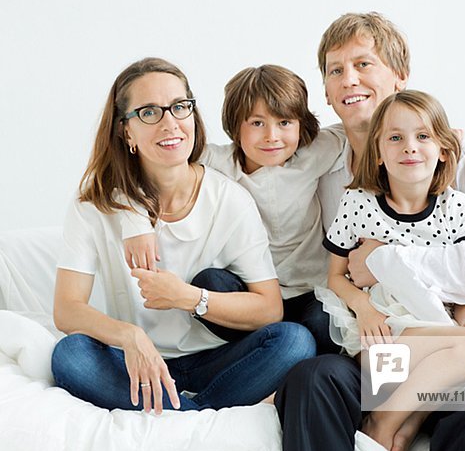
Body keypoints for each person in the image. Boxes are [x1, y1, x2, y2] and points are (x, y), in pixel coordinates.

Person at [275, 12, 465, 451]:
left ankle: (407, 415)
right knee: (312, 379)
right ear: (326, 91)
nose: (349, 79)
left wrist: (389, 257)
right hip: (393, 348)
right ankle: (394, 414)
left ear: (400, 77)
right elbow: (243, 161)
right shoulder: (323, 169)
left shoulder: (459, 159)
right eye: (335, 70)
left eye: (364, 64)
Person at [51, 57, 316, 415]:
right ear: (125, 131)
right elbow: (67, 309)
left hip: (217, 360)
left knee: (295, 342)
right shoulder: (95, 204)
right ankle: (194, 418)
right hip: (135, 362)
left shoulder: (228, 199)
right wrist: (130, 337)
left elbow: (269, 308)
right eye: (149, 112)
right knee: (71, 355)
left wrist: (188, 297)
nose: (170, 124)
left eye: (179, 107)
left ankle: (179, 416)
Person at [319, 89, 465, 451]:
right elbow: (334, 276)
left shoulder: (455, 207)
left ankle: (416, 413)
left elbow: (457, 286)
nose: (409, 146)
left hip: (444, 332)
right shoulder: (358, 203)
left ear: (443, 148)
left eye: (422, 136)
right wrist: (364, 308)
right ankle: (385, 421)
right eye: (395, 138)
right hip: (388, 341)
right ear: (377, 152)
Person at [119, 64, 344, 354]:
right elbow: (146, 164)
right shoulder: (216, 161)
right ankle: (253, 356)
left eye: (285, 122)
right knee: (208, 282)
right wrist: (134, 220)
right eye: (257, 123)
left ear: (302, 124)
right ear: (235, 126)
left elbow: (363, 130)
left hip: (310, 290)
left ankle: (289, 366)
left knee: (322, 325)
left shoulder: (317, 150)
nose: (272, 136)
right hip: (250, 294)